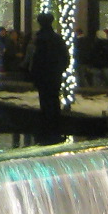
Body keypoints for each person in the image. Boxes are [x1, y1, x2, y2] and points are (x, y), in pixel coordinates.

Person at [28, 12, 68, 145]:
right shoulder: (56, 38)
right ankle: (54, 130)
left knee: (44, 102)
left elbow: (35, 59)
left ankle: (45, 130)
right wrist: (60, 69)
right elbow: (65, 57)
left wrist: (34, 74)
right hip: (54, 75)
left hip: (42, 76)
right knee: (54, 101)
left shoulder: (38, 39)